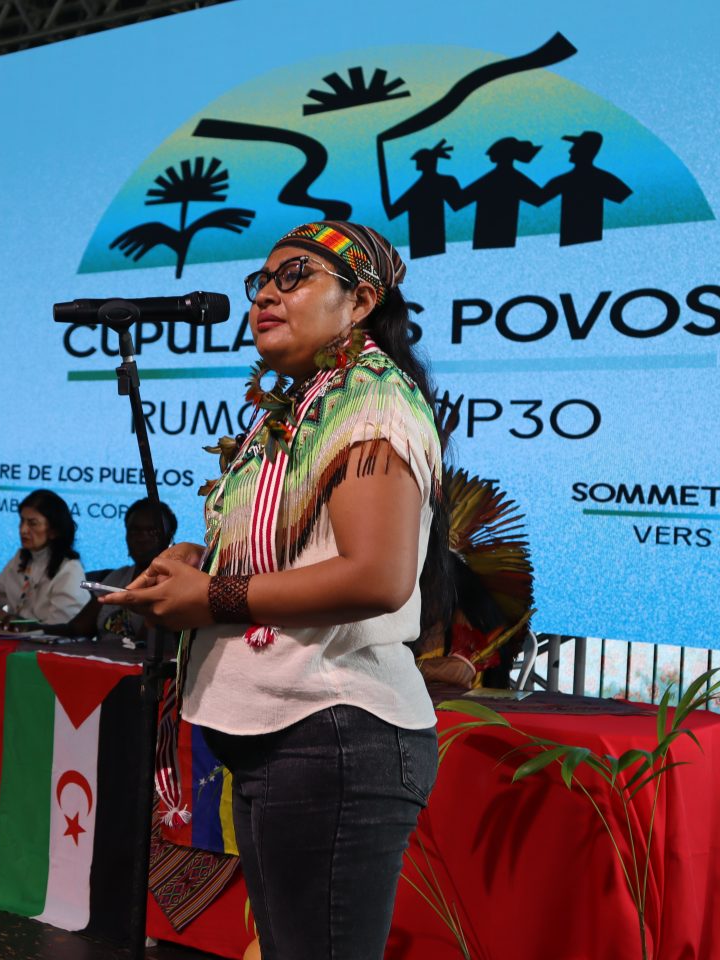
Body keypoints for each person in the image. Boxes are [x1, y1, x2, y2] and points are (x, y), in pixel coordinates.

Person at [103, 221, 451, 960]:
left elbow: (377, 576)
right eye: (260, 281)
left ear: (361, 302)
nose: (265, 293)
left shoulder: (372, 401)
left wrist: (213, 598)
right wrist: (200, 560)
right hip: (289, 735)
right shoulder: (302, 406)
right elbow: (294, 550)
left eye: (294, 277)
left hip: (334, 729)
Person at [48, 497, 177, 644]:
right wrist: (34, 630)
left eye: (152, 532)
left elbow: (144, 645)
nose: (141, 538)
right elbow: (76, 629)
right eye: (134, 531)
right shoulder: (118, 577)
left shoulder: (173, 583)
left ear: (170, 538)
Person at [0, 489, 88, 624]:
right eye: (22, 521)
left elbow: (62, 629)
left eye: (32, 523)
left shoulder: (69, 570)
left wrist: (2, 616)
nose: (23, 530)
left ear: (54, 531)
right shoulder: (21, 559)